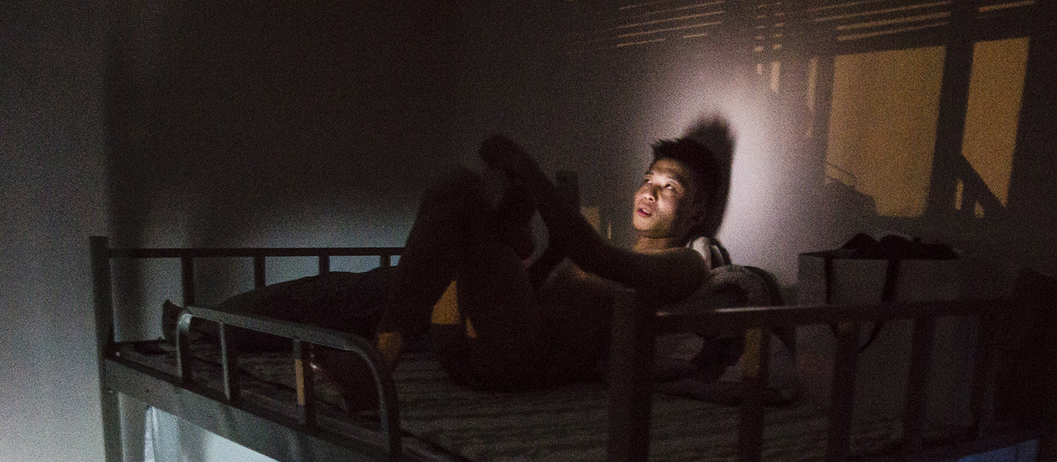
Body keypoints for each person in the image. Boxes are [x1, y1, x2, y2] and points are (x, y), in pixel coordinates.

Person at [170, 129, 730, 411]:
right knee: (357, 288)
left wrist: (528, 175)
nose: (650, 193)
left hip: (517, 361)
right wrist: (534, 250)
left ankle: (376, 367)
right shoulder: (605, 248)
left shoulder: (691, 262)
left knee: (455, 195)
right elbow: (557, 274)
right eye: (649, 180)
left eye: (670, 188)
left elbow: (592, 256)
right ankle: (203, 321)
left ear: (697, 212)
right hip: (477, 341)